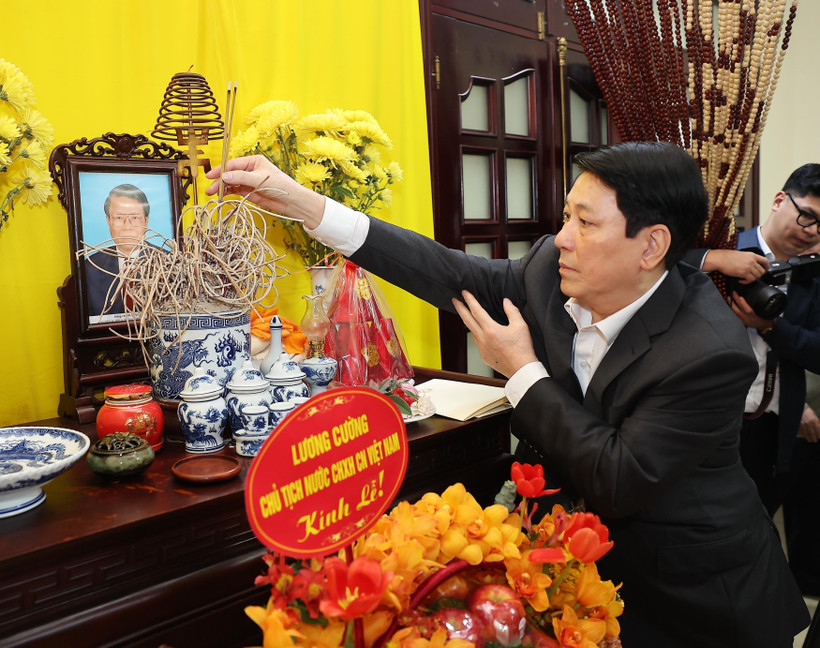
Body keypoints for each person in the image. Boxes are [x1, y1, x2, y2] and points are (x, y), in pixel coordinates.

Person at [205, 142, 809, 646]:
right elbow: (449, 273)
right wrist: (303, 204)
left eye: (586, 222)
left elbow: (619, 477)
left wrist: (521, 371)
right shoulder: (551, 267)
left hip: (695, 595)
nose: (563, 237)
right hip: (585, 572)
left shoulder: (710, 350)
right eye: (567, 215)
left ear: (651, 246)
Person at [684, 166, 820, 594]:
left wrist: (769, 328)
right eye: (808, 216)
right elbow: (654, 267)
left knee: (756, 537)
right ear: (780, 199)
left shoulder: (812, 271)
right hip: (707, 425)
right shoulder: (722, 246)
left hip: (773, 430)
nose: (812, 231)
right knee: (704, 542)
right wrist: (714, 260)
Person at [84, 183, 151, 318]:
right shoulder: (90, 268)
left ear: (146, 221)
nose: (127, 226)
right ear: (108, 222)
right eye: (119, 218)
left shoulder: (170, 263)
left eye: (135, 218)